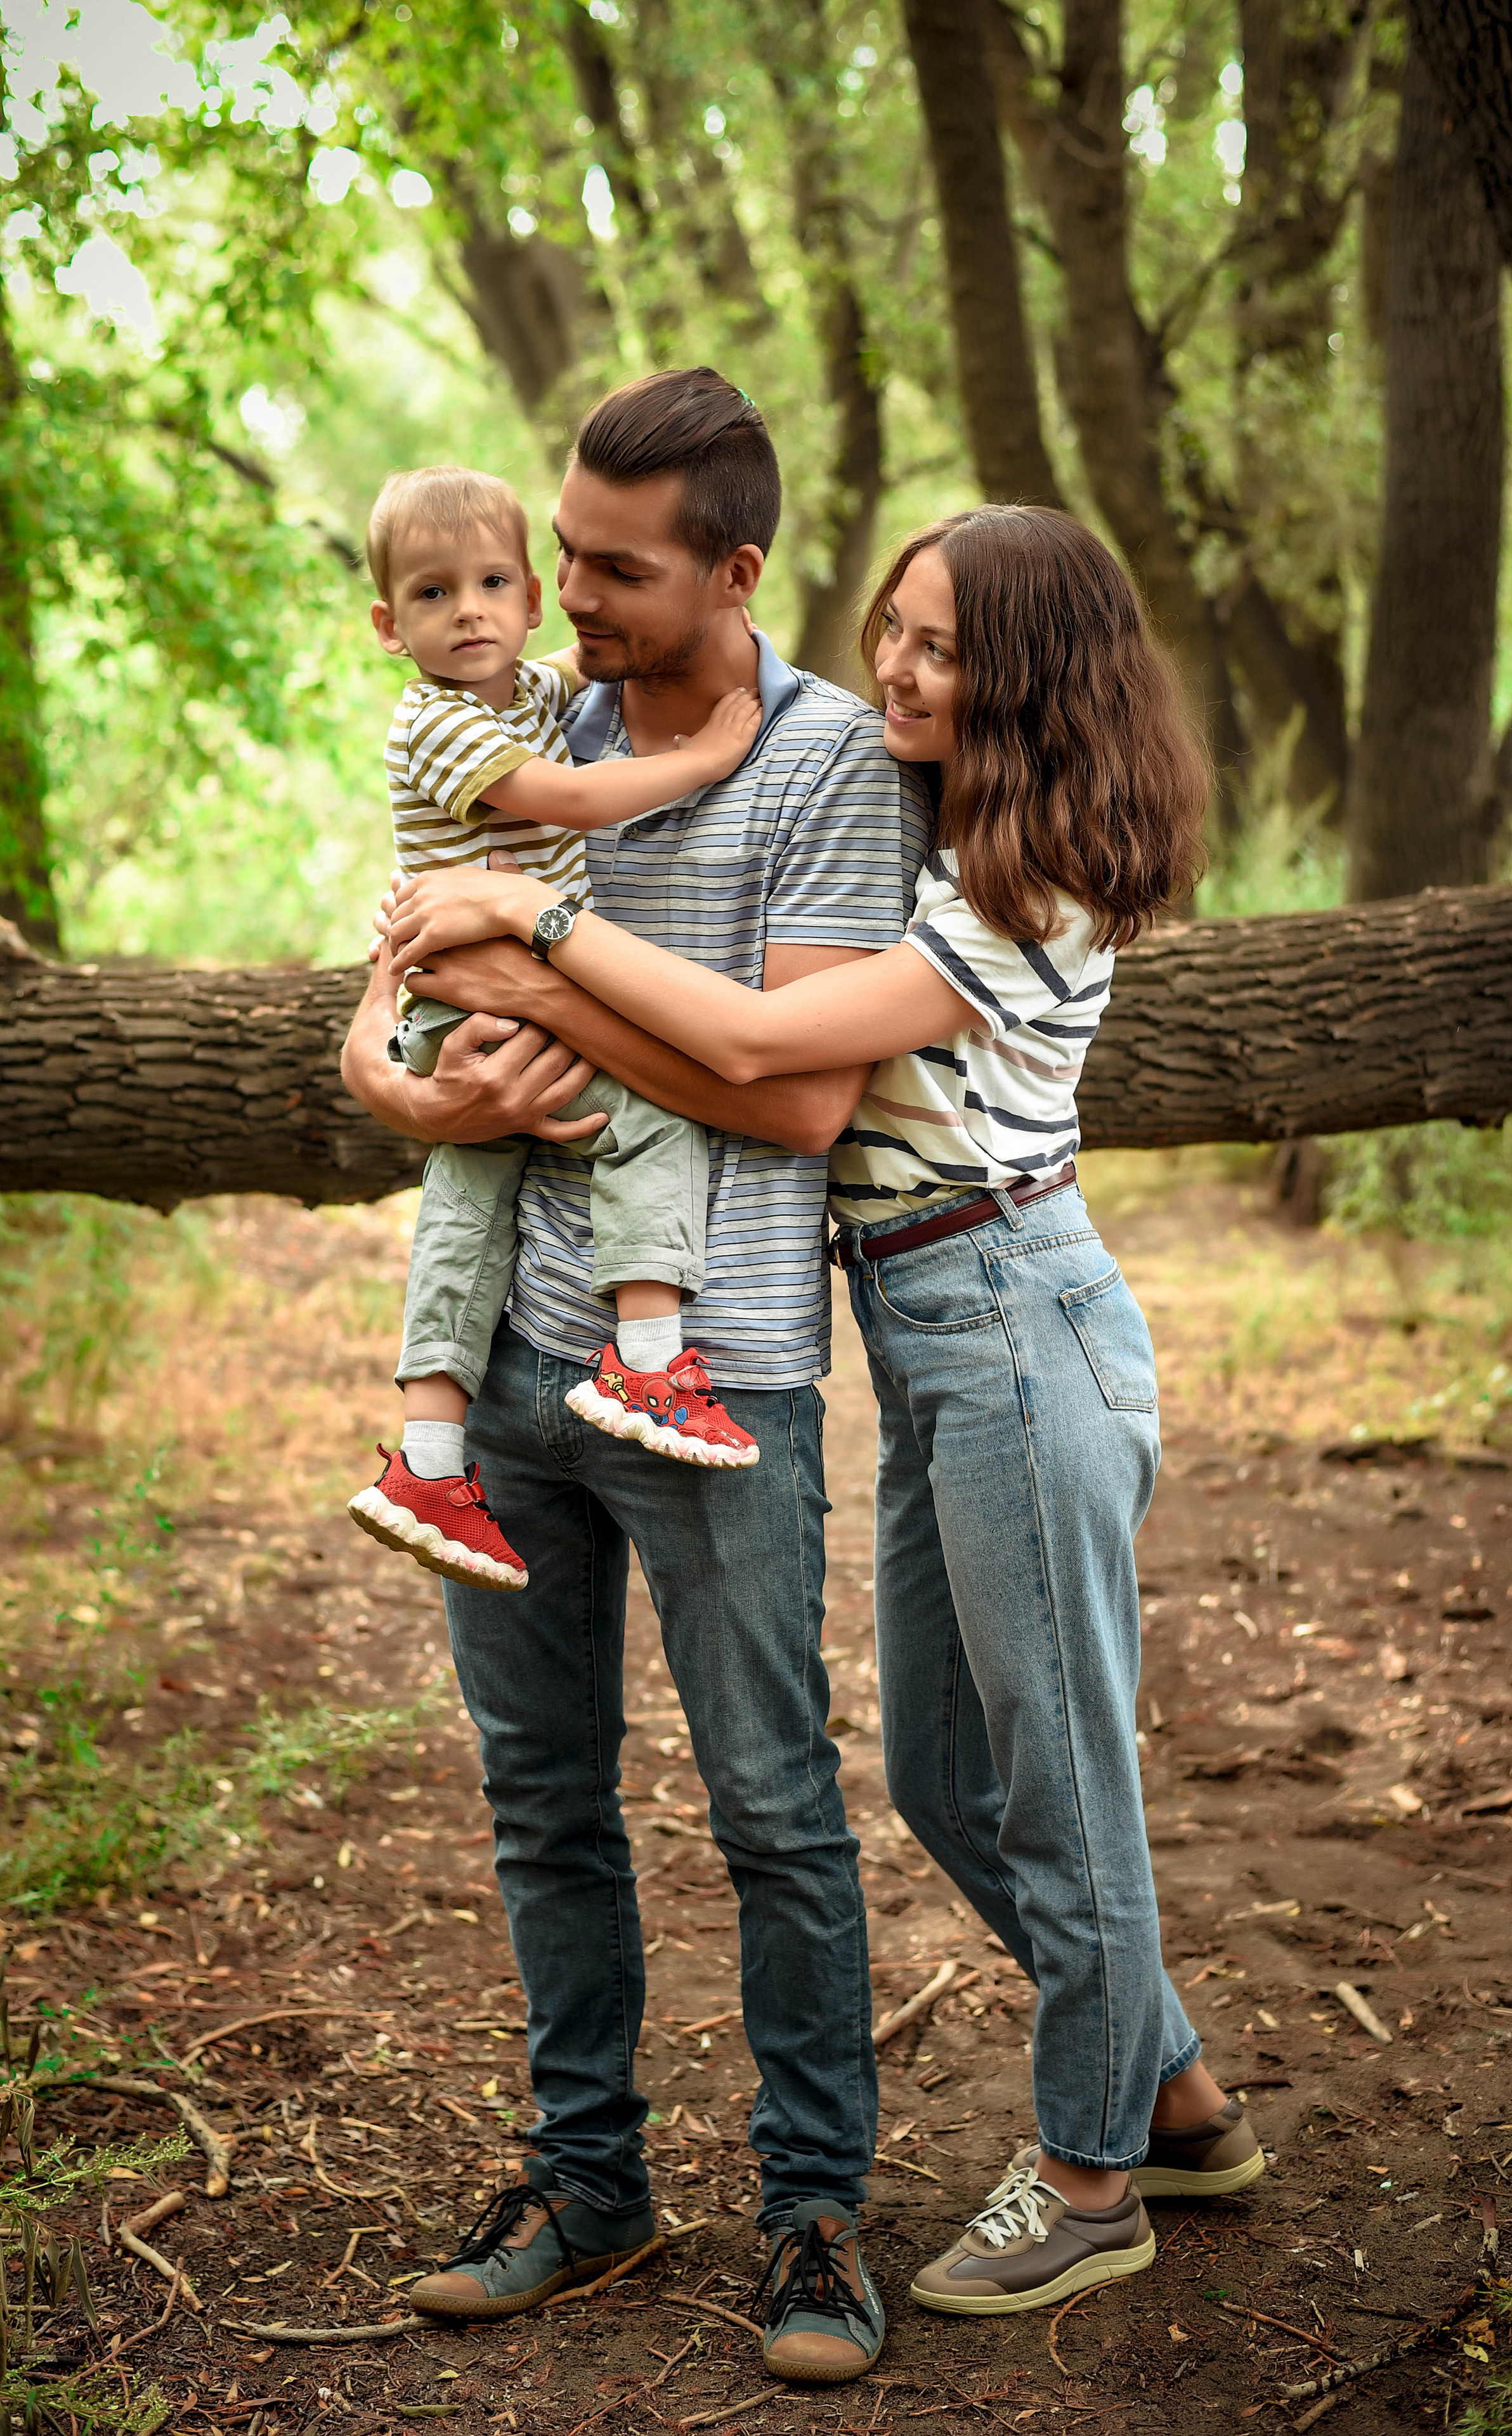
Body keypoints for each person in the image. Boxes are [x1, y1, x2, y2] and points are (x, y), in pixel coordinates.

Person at [384, 504, 1270, 2323]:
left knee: (1059, 1786)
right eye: (896, 630)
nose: (900, 669)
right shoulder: (934, 817)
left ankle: (1095, 2171)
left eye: (945, 649)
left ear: (1030, 676)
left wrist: (535, 925)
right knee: (948, 1778)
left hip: (1017, 1317)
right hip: (926, 1325)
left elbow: (780, 1064)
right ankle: (1173, 2091)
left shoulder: (1042, 886)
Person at [341, 368, 931, 2382]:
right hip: (511, 1368)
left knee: (774, 1805)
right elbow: (405, 961)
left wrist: (542, 983)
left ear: (736, 569)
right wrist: (396, 1074)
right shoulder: (531, 718)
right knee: (542, 1800)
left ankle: (817, 2209)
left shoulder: (832, 765)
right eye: (558, 554)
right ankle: (589, 2180)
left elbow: (798, 1096)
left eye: (612, 567)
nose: (565, 596)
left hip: (722, 1368)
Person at [349, 462, 765, 1599]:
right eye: (434, 595)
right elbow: (569, 802)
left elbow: (596, 654)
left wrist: (705, 613)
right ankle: (646, 1361)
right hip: (476, 996)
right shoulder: (438, 722)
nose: (468, 610)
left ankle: (428, 1460)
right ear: (391, 626)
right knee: (648, 1111)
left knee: (469, 1197)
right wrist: (703, 760)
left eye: (493, 583)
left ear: (532, 598)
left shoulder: (525, 687)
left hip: (463, 1001)